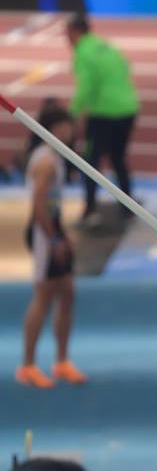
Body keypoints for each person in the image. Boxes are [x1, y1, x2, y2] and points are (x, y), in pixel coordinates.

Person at [16, 105, 87, 388]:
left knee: (67, 294)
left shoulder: (56, 157)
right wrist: (55, 237)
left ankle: (61, 361)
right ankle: (28, 366)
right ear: (52, 129)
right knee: (44, 297)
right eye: (63, 127)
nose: (68, 131)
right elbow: (39, 205)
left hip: (54, 228)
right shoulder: (45, 161)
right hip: (44, 233)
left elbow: (53, 205)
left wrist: (64, 232)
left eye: (69, 126)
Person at [66, 14, 140, 226]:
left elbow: (86, 87)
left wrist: (73, 114)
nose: (66, 39)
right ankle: (127, 207)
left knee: (90, 161)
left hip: (103, 113)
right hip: (128, 108)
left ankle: (90, 210)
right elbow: (126, 68)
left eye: (68, 34)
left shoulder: (83, 51)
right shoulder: (106, 45)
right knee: (118, 157)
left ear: (76, 32)